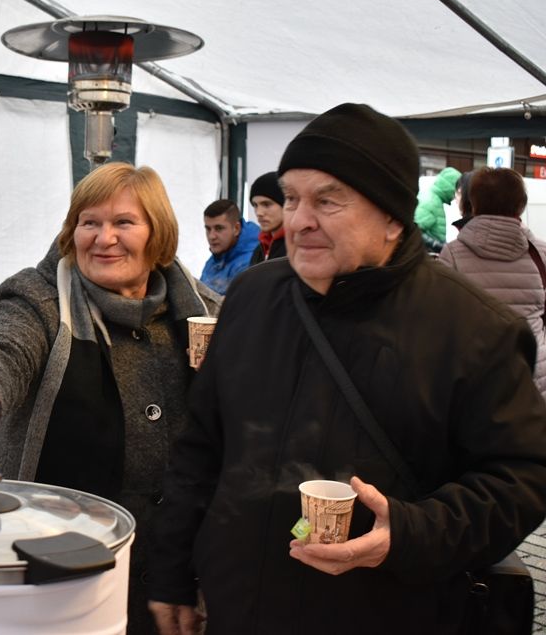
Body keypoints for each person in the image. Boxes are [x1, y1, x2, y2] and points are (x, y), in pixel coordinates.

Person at [147, 103, 546, 635]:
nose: (299, 220)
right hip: (237, 604)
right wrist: (172, 572)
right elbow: (201, 446)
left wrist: (409, 533)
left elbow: (522, 479)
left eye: (327, 200)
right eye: (290, 198)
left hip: (384, 612)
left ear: (392, 217)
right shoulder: (251, 296)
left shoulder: (475, 329)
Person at [0, 161, 222, 634]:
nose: (103, 237)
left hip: (176, 562)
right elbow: (6, 347)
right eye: (88, 222)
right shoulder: (42, 297)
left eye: (123, 222)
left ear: (158, 233)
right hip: (62, 557)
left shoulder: (206, 312)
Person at [439, 167, 546, 398]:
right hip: (534, 376)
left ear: (473, 203)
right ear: (521, 206)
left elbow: (440, 323)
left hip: (476, 380)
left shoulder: (452, 254)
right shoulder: (540, 252)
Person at [199, 199, 260, 295]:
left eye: (219, 228)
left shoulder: (252, 262)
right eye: (208, 229)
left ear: (236, 228)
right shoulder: (216, 257)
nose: (211, 236)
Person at [415, 166, 461, 253]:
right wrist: (435, 245)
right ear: (449, 187)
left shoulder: (434, 200)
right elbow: (415, 231)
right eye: (456, 191)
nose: (455, 196)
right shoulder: (430, 201)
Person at [247, 171, 285, 265]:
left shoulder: (299, 248)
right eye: (255, 205)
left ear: (286, 204)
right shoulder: (260, 250)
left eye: (266, 204)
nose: (259, 213)